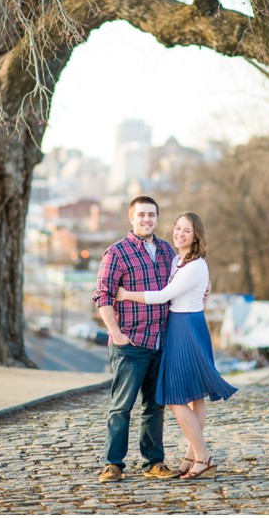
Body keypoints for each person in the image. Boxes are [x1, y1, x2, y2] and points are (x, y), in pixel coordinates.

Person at [116, 211, 237, 480]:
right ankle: (192, 456)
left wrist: (125, 295)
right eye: (178, 228)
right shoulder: (177, 260)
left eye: (187, 231)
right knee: (194, 396)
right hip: (182, 325)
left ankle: (203, 456)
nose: (180, 234)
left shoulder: (195, 265)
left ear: (196, 238)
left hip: (187, 328)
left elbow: (163, 295)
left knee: (174, 398)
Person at [93, 196, 180, 483]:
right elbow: (103, 296)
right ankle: (112, 464)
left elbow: (180, 285)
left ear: (157, 218)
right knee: (121, 407)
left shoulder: (168, 252)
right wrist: (116, 334)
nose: (147, 219)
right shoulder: (117, 253)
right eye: (141, 215)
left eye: (152, 215)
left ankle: (154, 462)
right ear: (132, 218)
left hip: (161, 342)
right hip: (130, 345)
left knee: (155, 407)